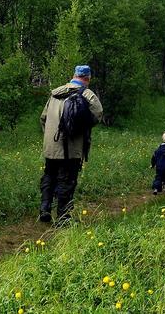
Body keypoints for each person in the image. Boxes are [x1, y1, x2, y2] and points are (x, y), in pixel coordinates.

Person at [39, 65, 103, 225]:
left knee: (49, 176)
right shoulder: (87, 94)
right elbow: (98, 114)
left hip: (51, 147)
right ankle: (63, 217)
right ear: (87, 79)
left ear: (74, 75)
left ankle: (44, 208)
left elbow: (43, 118)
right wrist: (82, 128)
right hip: (72, 148)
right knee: (67, 181)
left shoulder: (55, 93)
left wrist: (49, 137)